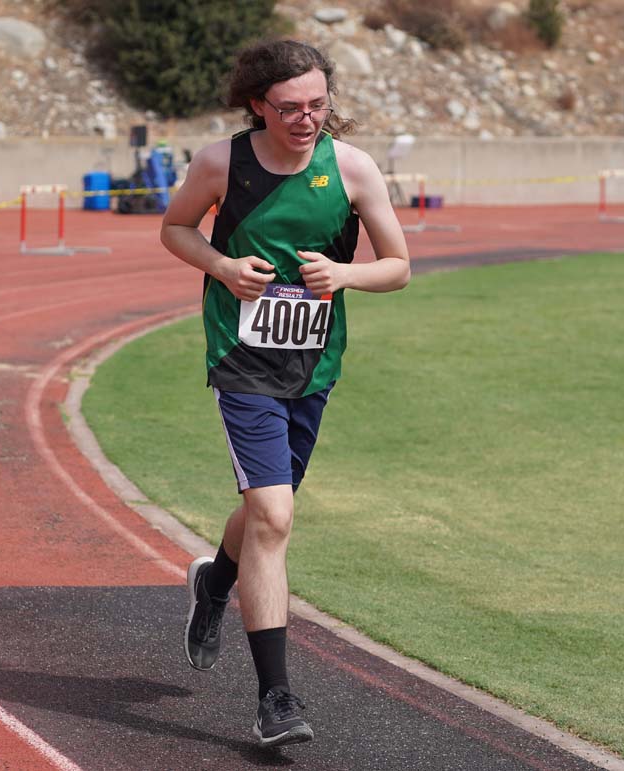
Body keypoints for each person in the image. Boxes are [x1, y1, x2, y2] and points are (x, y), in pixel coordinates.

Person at [160, 39, 411, 748]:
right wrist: (221, 264)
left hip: (313, 367)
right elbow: (175, 228)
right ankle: (275, 698)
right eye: (290, 108)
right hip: (242, 361)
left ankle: (214, 584)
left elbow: (397, 266)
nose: (306, 119)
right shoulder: (221, 163)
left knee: (269, 511)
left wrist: (345, 276)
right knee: (273, 514)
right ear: (257, 105)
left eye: (318, 105)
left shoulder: (353, 168)